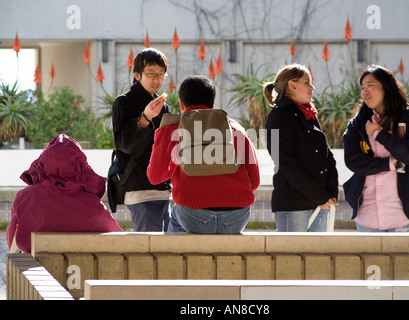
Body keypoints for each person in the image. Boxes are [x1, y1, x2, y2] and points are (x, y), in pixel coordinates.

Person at [147, 75, 260, 234]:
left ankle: (176, 256)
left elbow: (155, 177)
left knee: (176, 212)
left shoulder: (171, 129)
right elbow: (254, 182)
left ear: (181, 103)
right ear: (213, 103)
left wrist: (180, 161)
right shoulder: (235, 128)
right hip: (237, 217)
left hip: (193, 216)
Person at [342, 65, 409, 232]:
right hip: (367, 217)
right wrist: (389, 163)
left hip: (404, 217)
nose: (365, 91)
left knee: (407, 260)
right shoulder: (357, 124)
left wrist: (379, 134)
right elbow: (353, 161)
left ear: (386, 88)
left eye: (370, 85)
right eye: (362, 87)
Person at [7, 134, 122, 254]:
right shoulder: (92, 203)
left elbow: (13, 235)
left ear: (43, 163)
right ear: (81, 166)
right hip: (83, 267)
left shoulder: (25, 197)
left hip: (36, 267)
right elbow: (117, 238)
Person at [264, 64, 339, 232]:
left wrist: (331, 193)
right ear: (292, 85)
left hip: (321, 202)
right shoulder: (277, 116)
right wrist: (321, 195)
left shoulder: (308, 113)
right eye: (307, 82)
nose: (312, 88)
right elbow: (284, 162)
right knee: (291, 258)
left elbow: (327, 156)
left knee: (318, 258)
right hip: (293, 205)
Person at [112, 48, 171, 232]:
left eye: (161, 74)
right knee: (149, 251)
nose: (157, 80)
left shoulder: (162, 106)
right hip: (140, 189)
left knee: (167, 252)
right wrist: (144, 118)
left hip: (163, 188)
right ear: (137, 75)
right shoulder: (123, 102)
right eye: (151, 74)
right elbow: (123, 145)